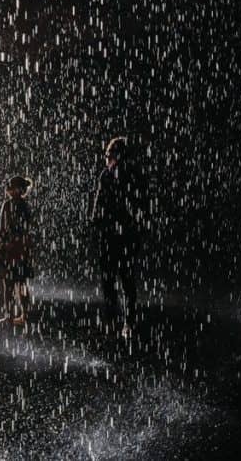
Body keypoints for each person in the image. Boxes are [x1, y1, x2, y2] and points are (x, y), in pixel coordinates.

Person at [90, 136, 144, 337]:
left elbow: (102, 203)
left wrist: (99, 221)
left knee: (120, 279)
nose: (106, 159)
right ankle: (119, 321)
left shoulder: (125, 175)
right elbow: (99, 203)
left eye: (108, 155)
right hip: (116, 234)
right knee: (116, 279)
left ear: (116, 156)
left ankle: (124, 321)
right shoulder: (111, 175)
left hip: (120, 234)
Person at [0, 176, 35, 325]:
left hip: (12, 249)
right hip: (20, 248)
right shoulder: (24, 206)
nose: (8, 189)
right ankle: (24, 316)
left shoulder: (9, 205)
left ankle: (11, 316)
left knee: (9, 284)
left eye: (10, 186)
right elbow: (26, 229)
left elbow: (3, 229)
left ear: (17, 189)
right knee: (19, 283)